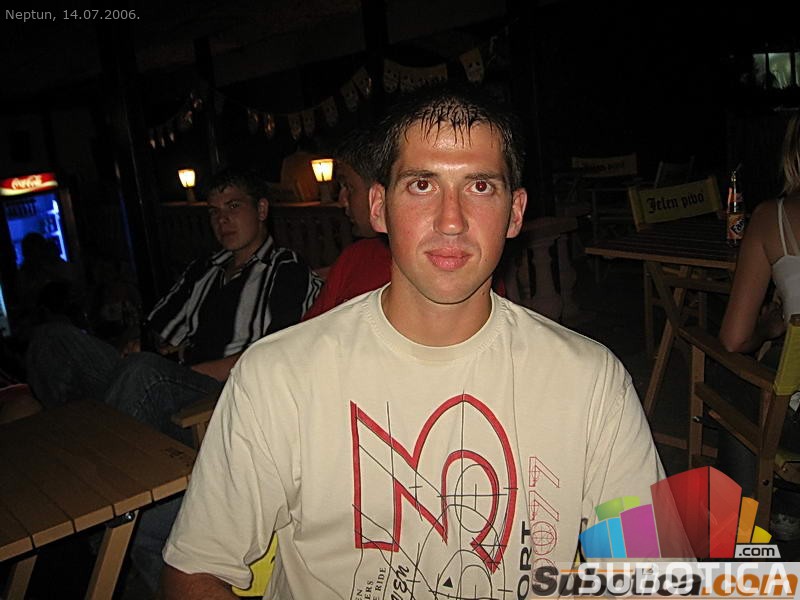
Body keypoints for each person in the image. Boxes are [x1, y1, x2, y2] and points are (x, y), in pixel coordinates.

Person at [161, 84, 663, 598]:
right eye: (422, 185)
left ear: (515, 213)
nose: (451, 220)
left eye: (480, 186)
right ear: (379, 207)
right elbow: (194, 570)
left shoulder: (591, 381)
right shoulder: (278, 376)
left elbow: (653, 572)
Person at [25, 168, 323, 592]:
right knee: (54, 339)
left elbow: (273, 356)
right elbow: (158, 329)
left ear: (261, 210)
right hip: (166, 382)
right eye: (213, 211)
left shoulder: (286, 269)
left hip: (222, 396)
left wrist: (180, 371)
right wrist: (136, 342)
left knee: (143, 374)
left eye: (233, 207)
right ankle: (81, 464)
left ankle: (87, 507)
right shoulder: (206, 268)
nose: (222, 220)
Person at [718, 109, 800, 538]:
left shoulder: (773, 218)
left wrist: (769, 329)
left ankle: (746, 527)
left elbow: (734, 340)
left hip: (795, 418)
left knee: (734, 383)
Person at [302, 128, 391, 320]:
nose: (342, 200)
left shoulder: (421, 266)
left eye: (349, 187)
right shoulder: (354, 257)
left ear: (379, 195)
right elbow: (311, 329)